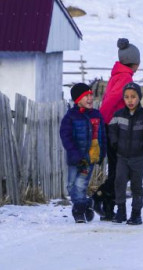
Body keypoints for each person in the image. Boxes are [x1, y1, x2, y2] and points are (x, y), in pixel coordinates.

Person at [92, 38, 140, 221]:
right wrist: (103, 121)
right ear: (134, 62)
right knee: (120, 170)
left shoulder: (118, 75)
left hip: (113, 126)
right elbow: (111, 100)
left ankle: (107, 208)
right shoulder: (125, 78)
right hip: (116, 128)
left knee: (117, 169)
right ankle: (99, 196)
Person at [108, 82, 143, 225]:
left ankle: (136, 213)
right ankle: (121, 210)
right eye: (126, 97)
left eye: (133, 97)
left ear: (139, 97)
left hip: (138, 157)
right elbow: (112, 130)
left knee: (136, 185)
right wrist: (115, 143)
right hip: (122, 156)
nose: (130, 100)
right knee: (119, 182)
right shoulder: (118, 115)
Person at [59, 83, 107, 223]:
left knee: (80, 185)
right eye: (86, 96)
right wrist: (73, 153)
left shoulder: (96, 115)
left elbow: (102, 135)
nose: (90, 98)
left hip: (89, 158)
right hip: (75, 158)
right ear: (77, 100)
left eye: (91, 95)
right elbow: (65, 136)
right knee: (70, 186)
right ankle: (88, 203)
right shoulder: (70, 116)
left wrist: (102, 153)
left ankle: (78, 212)